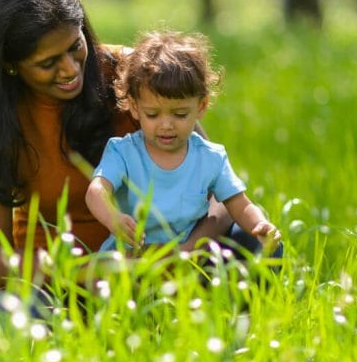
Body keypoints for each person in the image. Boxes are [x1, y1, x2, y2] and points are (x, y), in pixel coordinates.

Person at [0, 0, 239, 319]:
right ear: (10, 65)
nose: (70, 69)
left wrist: (187, 252)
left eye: (74, 46)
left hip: (161, 268)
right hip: (59, 282)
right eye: (48, 63)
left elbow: (220, 191)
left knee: (250, 243)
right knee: (9, 313)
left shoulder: (133, 76)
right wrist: (93, 270)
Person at [85, 30, 281, 258]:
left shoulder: (211, 158)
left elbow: (239, 204)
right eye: (153, 114)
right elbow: (96, 192)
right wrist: (113, 218)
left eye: (179, 114)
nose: (166, 125)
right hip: (134, 258)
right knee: (106, 269)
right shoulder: (123, 152)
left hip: (187, 259)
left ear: (201, 106)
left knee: (264, 250)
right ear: (135, 108)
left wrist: (260, 224)